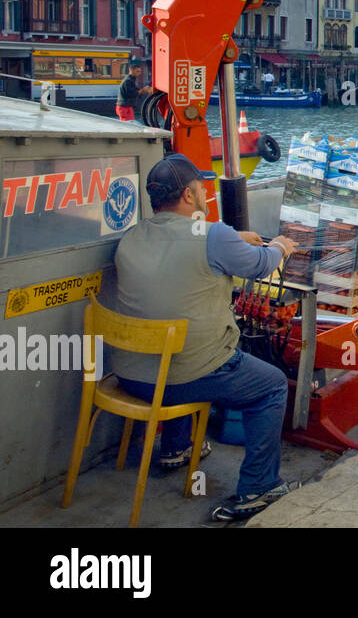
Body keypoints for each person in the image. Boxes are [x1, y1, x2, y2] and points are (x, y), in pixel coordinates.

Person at [112, 153, 300, 521]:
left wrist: (235, 238)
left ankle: (177, 448)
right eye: (200, 185)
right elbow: (261, 265)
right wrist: (279, 245)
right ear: (187, 194)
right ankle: (259, 488)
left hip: (131, 376)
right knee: (272, 385)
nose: (205, 190)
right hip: (181, 380)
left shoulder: (132, 235)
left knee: (175, 337)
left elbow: (184, 247)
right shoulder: (214, 235)